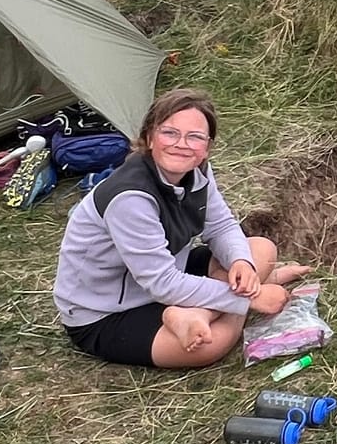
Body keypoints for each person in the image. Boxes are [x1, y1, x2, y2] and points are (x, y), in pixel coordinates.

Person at [53, 88, 310, 370]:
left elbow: (221, 225)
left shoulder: (196, 170)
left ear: (207, 147)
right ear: (150, 137)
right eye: (170, 133)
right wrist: (252, 299)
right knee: (212, 346)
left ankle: (198, 313)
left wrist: (241, 263)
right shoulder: (129, 198)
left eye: (195, 137)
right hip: (107, 312)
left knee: (260, 248)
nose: (182, 144)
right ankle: (238, 298)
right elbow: (162, 283)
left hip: (169, 274)